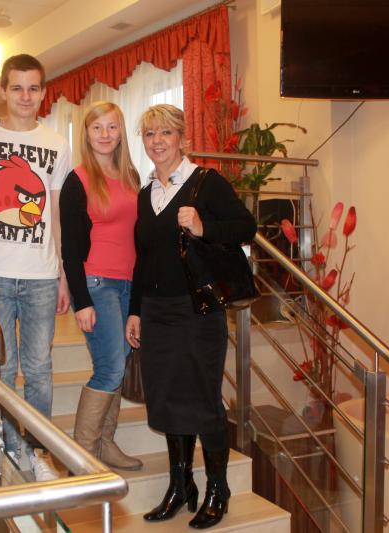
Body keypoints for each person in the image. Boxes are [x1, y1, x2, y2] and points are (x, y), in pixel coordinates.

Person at [125, 104, 256, 529]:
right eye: (150, 134)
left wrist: (203, 227)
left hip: (197, 310)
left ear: (182, 138)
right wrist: (135, 311)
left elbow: (246, 226)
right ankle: (181, 487)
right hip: (156, 312)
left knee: (202, 399)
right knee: (166, 398)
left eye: (166, 133)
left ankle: (218, 489)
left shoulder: (206, 183)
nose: (157, 141)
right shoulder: (146, 194)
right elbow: (143, 258)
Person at [0, 54, 71, 482]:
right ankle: (10, 447)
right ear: (3, 90)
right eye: (17, 87)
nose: (25, 96)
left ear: (43, 92)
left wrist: (63, 274)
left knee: (39, 369)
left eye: (33, 88)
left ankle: (38, 451)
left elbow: (56, 212)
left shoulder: (57, 143)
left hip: (41, 275)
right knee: (1, 368)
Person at [59, 101, 143, 471]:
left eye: (112, 127)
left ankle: (105, 443)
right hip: (97, 282)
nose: (105, 134)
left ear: (121, 132)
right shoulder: (77, 181)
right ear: (87, 134)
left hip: (129, 283)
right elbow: (70, 248)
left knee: (118, 365)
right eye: (97, 128)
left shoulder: (132, 178)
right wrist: (81, 301)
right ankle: (82, 457)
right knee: (109, 367)